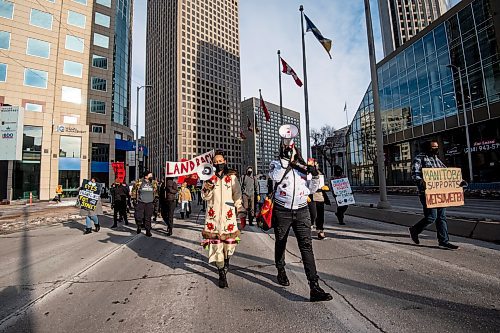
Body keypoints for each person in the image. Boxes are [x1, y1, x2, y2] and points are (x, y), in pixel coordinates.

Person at [270, 126, 333, 302]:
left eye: (292, 150)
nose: (290, 152)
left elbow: (313, 189)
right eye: (287, 150)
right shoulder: (276, 164)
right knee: (281, 242)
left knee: (306, 247)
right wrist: (284, 161)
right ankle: (280, 269)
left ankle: (314, 287)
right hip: (282, 211)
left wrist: (313, 175)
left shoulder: (303, 169)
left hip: (302, 210)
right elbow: (275, 177)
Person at [201, 150, 246, 288]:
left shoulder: (232, 177)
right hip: (213, 219)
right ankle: (221, 273)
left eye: (221, 161)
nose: (219, 164)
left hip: (228, 218)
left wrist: (240, 209)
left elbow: (237, 194)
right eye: (216, 162)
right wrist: (208, 185)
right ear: (212, 164)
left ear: (225, 162)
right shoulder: (209, 178)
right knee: (216, 248)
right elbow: (205, 196)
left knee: (229, 246)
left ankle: (227, 261)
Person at [409, 140, 462, 250]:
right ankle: (415, 229)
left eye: (437, 147)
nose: (436, 149)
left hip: (439, 193)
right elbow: (415, 174)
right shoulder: (419, 158)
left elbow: (446, 173)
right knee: (431, 217)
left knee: (442, 217)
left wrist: (458, 180)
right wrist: (422, 181)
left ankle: (444, 241)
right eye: (433, 147)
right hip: (427, 193)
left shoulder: (436, 159)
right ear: (427, 147)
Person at [131, 171, 159, 237]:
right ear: (146, 176)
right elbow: (134, 190)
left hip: (149, 202)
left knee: (148, 217)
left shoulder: (153, 183)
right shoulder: (139, 182)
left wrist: (156, 198)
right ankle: (139, 226)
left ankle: (148, 230)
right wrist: (134, 199)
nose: (151, 177)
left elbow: (156, 191)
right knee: (138, 216)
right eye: (150, 175)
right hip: (140, 202)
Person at [308, 160, 330, 240]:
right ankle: (308, 228)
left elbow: (324, 182)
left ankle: (320, 230)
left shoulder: (321, 172)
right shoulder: (306, 172)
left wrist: (326, 187)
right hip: (310, 196)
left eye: (315, 163)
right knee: (312, 214)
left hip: (320, 195)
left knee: (320, 215)